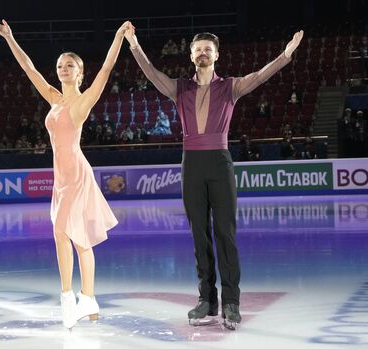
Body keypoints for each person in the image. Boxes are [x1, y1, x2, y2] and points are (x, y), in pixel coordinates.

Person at [125, 26, 304, 330]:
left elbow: (259, 76)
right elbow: (153, 74)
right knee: (199, 235)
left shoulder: (230, 87)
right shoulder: (179, 88)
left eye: (208, 49)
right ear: (191, 55)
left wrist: (285, 56)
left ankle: (231, 303)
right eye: (198, 49)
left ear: (217, 55)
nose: (203, 53)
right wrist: (134, 45)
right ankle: (206, 300)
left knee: (225, 233)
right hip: (191, 164)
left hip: (220, 163)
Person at [0, 17, 125, 329]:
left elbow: (106, 70)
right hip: (61, 178)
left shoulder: (82, 101)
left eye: (69, 66)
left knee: (61, 232)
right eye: (61, 65)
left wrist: (117, 36)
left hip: (77, 174)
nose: (63, 69)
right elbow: (29, 69)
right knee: (79, 241)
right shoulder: (54, 97)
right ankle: (89, 300)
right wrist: (9, 37)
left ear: (80, 72)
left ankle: (68, 298)